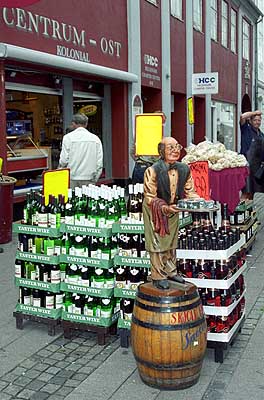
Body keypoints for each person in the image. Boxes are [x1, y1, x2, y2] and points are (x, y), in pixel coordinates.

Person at [143, 136, 199, 290]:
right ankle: (158, 275)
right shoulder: (152, 170)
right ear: (161, 151)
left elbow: (190, 191)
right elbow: (149, 197)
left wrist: (198, 201)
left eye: (177, 146)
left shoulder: (184, 168)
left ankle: (171, 271)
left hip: (173, 210)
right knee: (157, 243)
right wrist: (164, 208)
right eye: (170, 147)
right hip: (155, 211)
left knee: (171, 241)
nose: (175, 150)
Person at [59, 113, 103, 189]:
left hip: (72, 177)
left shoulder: (68, 138)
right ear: (86, 124)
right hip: (89, 177)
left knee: (72, 199)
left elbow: (63, 160)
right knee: (88, 200)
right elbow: (99, 163)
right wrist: (95, 178)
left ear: (73, 124)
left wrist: (61, 171)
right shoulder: (95, 139)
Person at [130, 111, 166, 184]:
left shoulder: (143, 132)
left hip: (145, 166)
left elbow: (132, 150)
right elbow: (133, 150)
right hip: (148, 166)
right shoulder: (152, 135)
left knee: (142, 191)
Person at [240, 110, 264, 198]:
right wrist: (255, 112)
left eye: (259, 120)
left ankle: (253, 212)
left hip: (258, 170)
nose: (257, 122)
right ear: (250, 121)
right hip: (247, 167)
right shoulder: (246, 129)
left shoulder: (261, 135)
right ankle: (241, 211)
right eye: (255, 120)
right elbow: (242, 117)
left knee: (257, 194)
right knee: (246, 193)